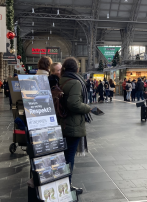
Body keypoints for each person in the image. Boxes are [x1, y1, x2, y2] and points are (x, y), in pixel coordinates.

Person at [59, 57, 92, 195]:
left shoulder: (59, 80)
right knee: (69, 157)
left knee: (62, 157)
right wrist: (87, 108)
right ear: (77, 69)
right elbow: (74, 104)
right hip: (71, 125)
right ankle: (66, 186)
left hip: (60, 123)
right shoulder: (75, 82)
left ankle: (61, 184)